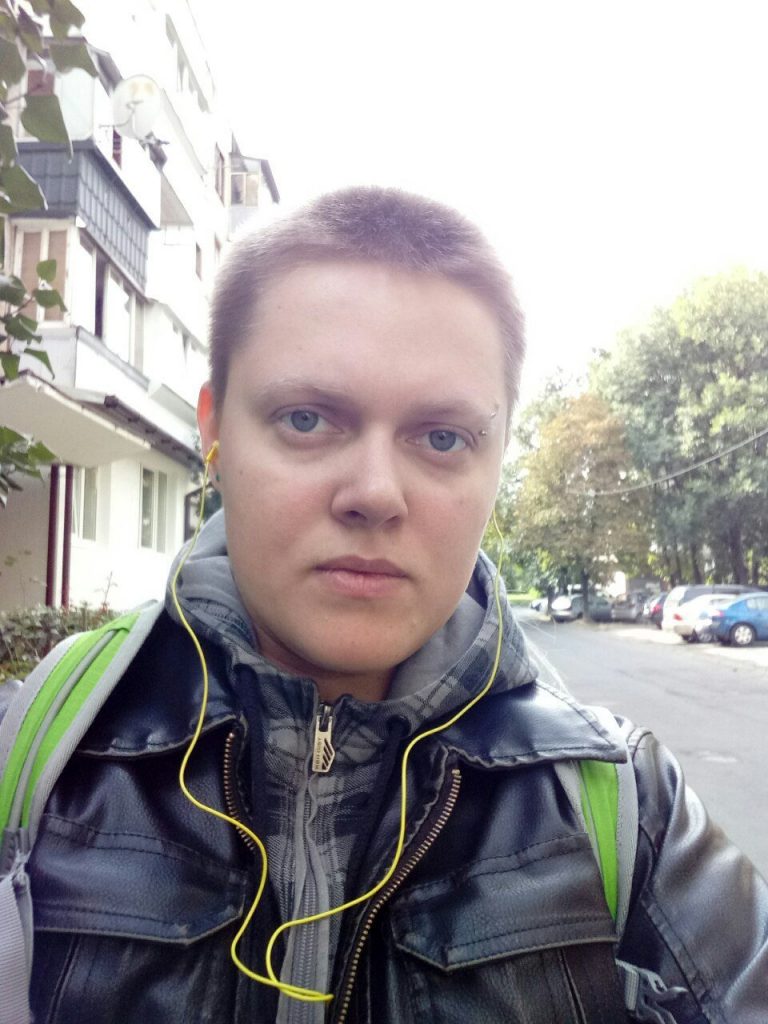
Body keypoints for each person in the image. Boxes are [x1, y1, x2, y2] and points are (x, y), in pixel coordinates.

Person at [15, 187, 768, 1022]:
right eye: (307, 419)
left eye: (442, 437)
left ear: (497, 458)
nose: (375, 493)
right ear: (214, 430)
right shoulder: (38, 754)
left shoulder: (624, 805)